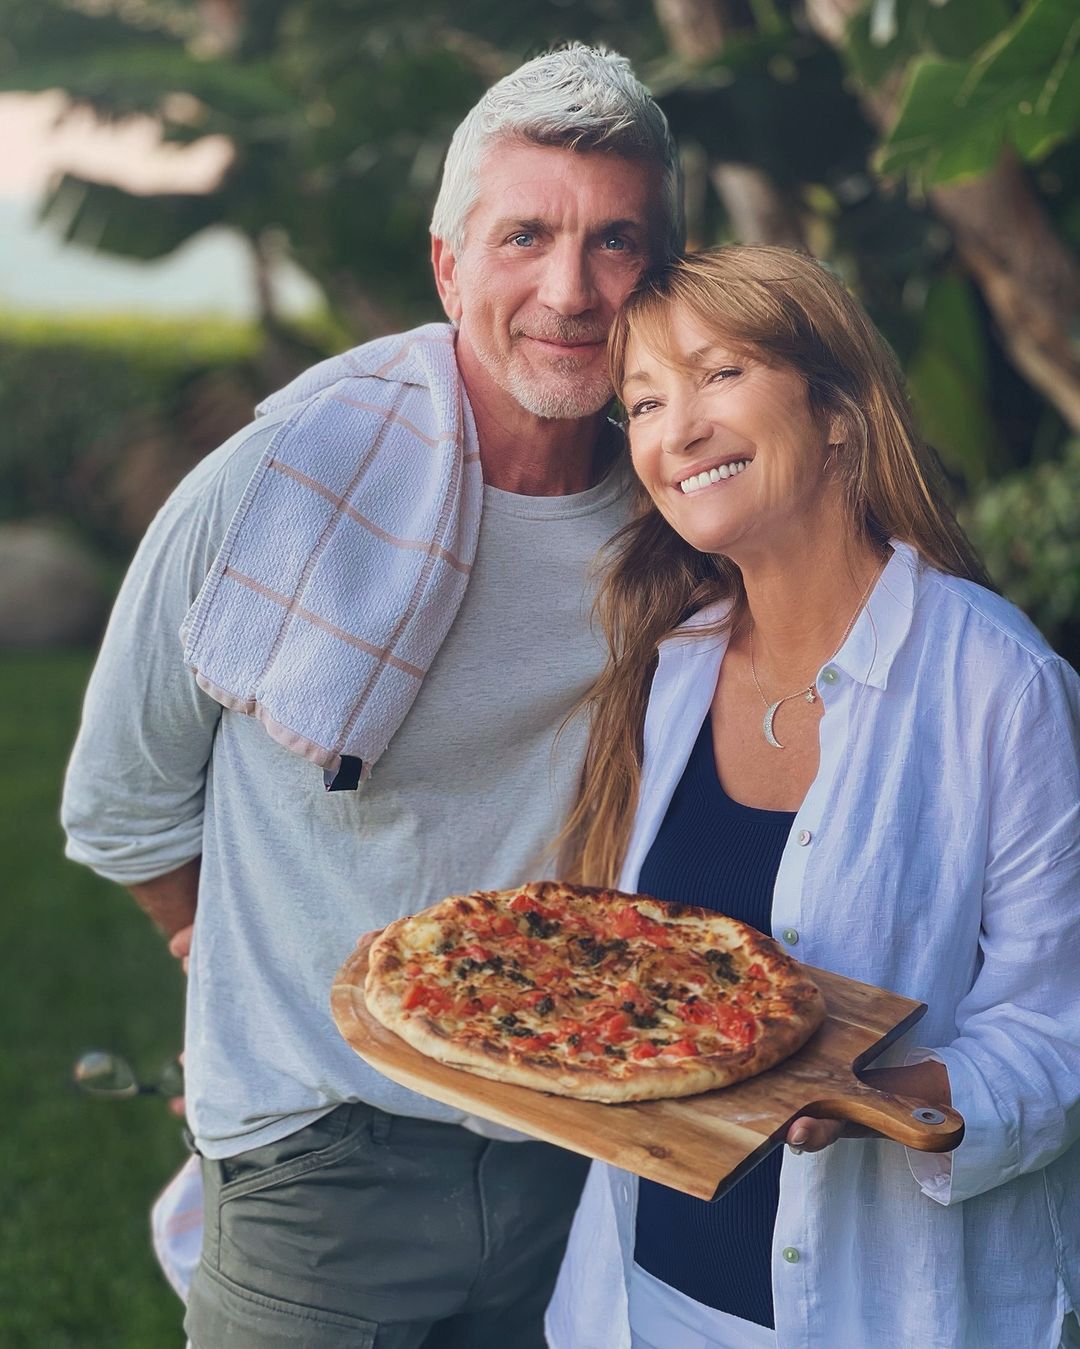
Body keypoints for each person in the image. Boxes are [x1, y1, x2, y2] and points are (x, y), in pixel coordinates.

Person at [61, 44, 683, 1349]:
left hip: (582, 1144)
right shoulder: (286, 477)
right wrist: (237, 972)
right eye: (525, 236)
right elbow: (120, 798)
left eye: (614, 242)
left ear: (662, 272)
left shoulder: (680, 514)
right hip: (321, 1160)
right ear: (450, 265)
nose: (569, 290)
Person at [544, 245, 1080, 1349]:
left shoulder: (1000, 682)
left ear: (839, 410)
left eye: (718, 374)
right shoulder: (669, 668)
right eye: (643, 402)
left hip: (881, 1305)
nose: (674, 428)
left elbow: (1058, 1034)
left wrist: (861, 1093)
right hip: (641, 1299)